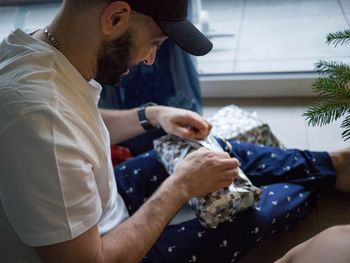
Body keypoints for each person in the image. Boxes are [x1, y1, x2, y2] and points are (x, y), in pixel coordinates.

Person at [0, 0, 349, 262]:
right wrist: (180, 186)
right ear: (115, 18)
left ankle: (333, 164)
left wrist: (150, 114)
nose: (151, 58)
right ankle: (321, 178)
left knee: (211, 150)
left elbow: (74, 126)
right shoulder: (37, 121)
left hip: (99, 201)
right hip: (104, 248)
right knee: (254, 213)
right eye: (155, 42)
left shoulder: (35, 51)